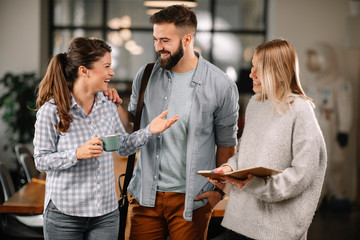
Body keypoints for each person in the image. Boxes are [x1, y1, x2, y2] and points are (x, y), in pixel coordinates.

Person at [33, 37, 178, 240]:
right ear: (84, 71)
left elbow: (123, 147)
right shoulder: (52, 111)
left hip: (105, 213)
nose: (112, 72)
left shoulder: (108, 105)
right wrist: (77, 154)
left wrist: (150, 130)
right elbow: (41, 160)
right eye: (107, 66)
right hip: (65, 214)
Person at [114, 4, 239, 240]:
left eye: (165, 40)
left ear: (187, 39)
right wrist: (115, 106)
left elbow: (227, 143)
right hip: (145, 197)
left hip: (192, 200)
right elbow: (134, 127)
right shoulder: (146, 75)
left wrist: (218, 193)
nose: (157, 47)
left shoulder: (221, 85)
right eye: (155, 39)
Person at [210, 39, 327, 240]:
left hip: (275, 229)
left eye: (259, 69)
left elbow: (304, 173)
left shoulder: (300, 109)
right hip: (240, 221)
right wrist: (228, 169)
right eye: (252, 67)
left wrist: (256, 185)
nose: (251, 74)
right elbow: (246, 153)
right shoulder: (256, 103)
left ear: (279, 72)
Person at [305, 42, 352, 206]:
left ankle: (336, 193)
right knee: (314, 163)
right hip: (314, 128)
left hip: (331, 129)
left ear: (327, 59)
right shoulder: (314, 82)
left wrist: (344, 130)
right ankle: (319, 196)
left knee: (333, 162)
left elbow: (345, 107)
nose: (312, 62)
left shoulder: (340, 82)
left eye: (316, 58)